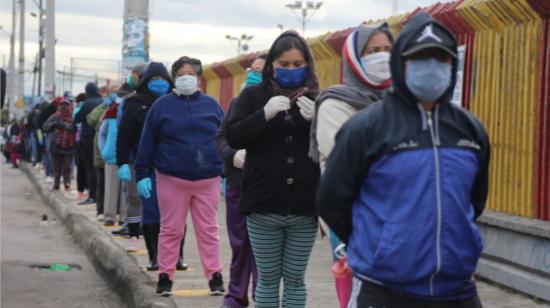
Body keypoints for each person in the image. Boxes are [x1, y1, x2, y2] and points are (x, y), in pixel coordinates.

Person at [317, 13, 490, 308]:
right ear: (402, 64)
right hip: (386, 289)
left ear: (453, 66)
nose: (431, 66)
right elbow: (332, 199)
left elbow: (474, 200)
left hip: (457, 289)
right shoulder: (368, 128)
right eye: (420, 58)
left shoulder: (469, 130)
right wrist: (378, 244)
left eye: (441, 58)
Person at [226, 30, 320, 308]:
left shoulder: (319, 98)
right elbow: (234, 136)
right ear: (272, 66)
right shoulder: (253, 97)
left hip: (304, 205)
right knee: (267, 278)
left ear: (307, 65)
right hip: (263, 204)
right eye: (284, 64)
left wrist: (318, 121)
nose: (291, 70)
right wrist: (263, 115)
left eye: (297, 64)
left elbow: (336, 145)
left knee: (295, 279)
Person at [309, 24, 393, 308]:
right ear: (355, 58)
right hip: (351, 215)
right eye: (373, 51)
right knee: (356, 292)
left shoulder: (402, 98)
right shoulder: (336, 102)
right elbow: (344, 162)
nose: (382, 57)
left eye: (387, 50)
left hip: (396, 214)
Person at [135, 56, 225, 297]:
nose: (186, 77)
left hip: (208, 180)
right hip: (171, 179)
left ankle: (215, 276)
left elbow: (224, 138)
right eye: (181, 74)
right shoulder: (161, 106)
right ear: (174, 79)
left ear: (199, 78)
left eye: (191, 73)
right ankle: (165, 275)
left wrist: (226, 169)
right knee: (171, 229)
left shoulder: (212, 105)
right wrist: (142, 172)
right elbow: (147, 141)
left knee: (208, 230)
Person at [216, 54, 266, 308]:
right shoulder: (237, 102)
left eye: (259, 71)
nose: (253, 75)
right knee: (239, 245)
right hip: (238, 185)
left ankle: (262, 295)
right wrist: (232, 155)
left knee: (262, 249)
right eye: (251, 70)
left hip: (267, 188)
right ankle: (236, 295)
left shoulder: (278, 105)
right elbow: (222, 137)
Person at [117, 62, 174, 253]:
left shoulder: (174, 102)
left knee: (165, 204)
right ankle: (134, 235)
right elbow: (124, 134)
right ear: (146, 81)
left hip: (167, 162)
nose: (159, 83)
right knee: (136, 198)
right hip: (138, 159)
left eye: (162, 79)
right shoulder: (134, 103)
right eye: (154, 79)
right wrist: (123, 161)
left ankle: (165, 244)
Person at [88, 85, 119, 220]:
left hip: (117, 153)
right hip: (104, 151)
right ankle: (101, 210)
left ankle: (116, 211)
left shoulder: (121, 108)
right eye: (112, 93)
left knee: (118, 186)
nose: (114, 96)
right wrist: (103, 106)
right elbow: (92, 120)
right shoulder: (104, 109)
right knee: (103, 183)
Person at [75, 82, 103, 205]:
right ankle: (99, 196)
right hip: (101, 138)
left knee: (90, 168)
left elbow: (77, 119)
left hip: (88, 138)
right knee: (100, 168)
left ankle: (92, 196)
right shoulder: (102, 101)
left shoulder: (87, 103)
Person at [42, 99, 75, 190]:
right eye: (62, 105)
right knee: (56, 167)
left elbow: (75, 128)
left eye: (66, 105)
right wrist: (54, 124)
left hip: (69, 145)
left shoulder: (72, 116)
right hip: (55, 145)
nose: (64, 107)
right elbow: (45, 127)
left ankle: (67, 184)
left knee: (67, 167)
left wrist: (64, 125)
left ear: (69, 107)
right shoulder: (55, 116)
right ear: (59, 107)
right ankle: (56, 184)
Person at [73, 93, 88, 200]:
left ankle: (80, 190)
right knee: (87, 166)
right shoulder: (88, 106)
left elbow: (75, 122)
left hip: (78, 139)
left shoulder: (77, 110)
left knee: (80, 166)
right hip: (85, 139)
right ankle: (86, 188)